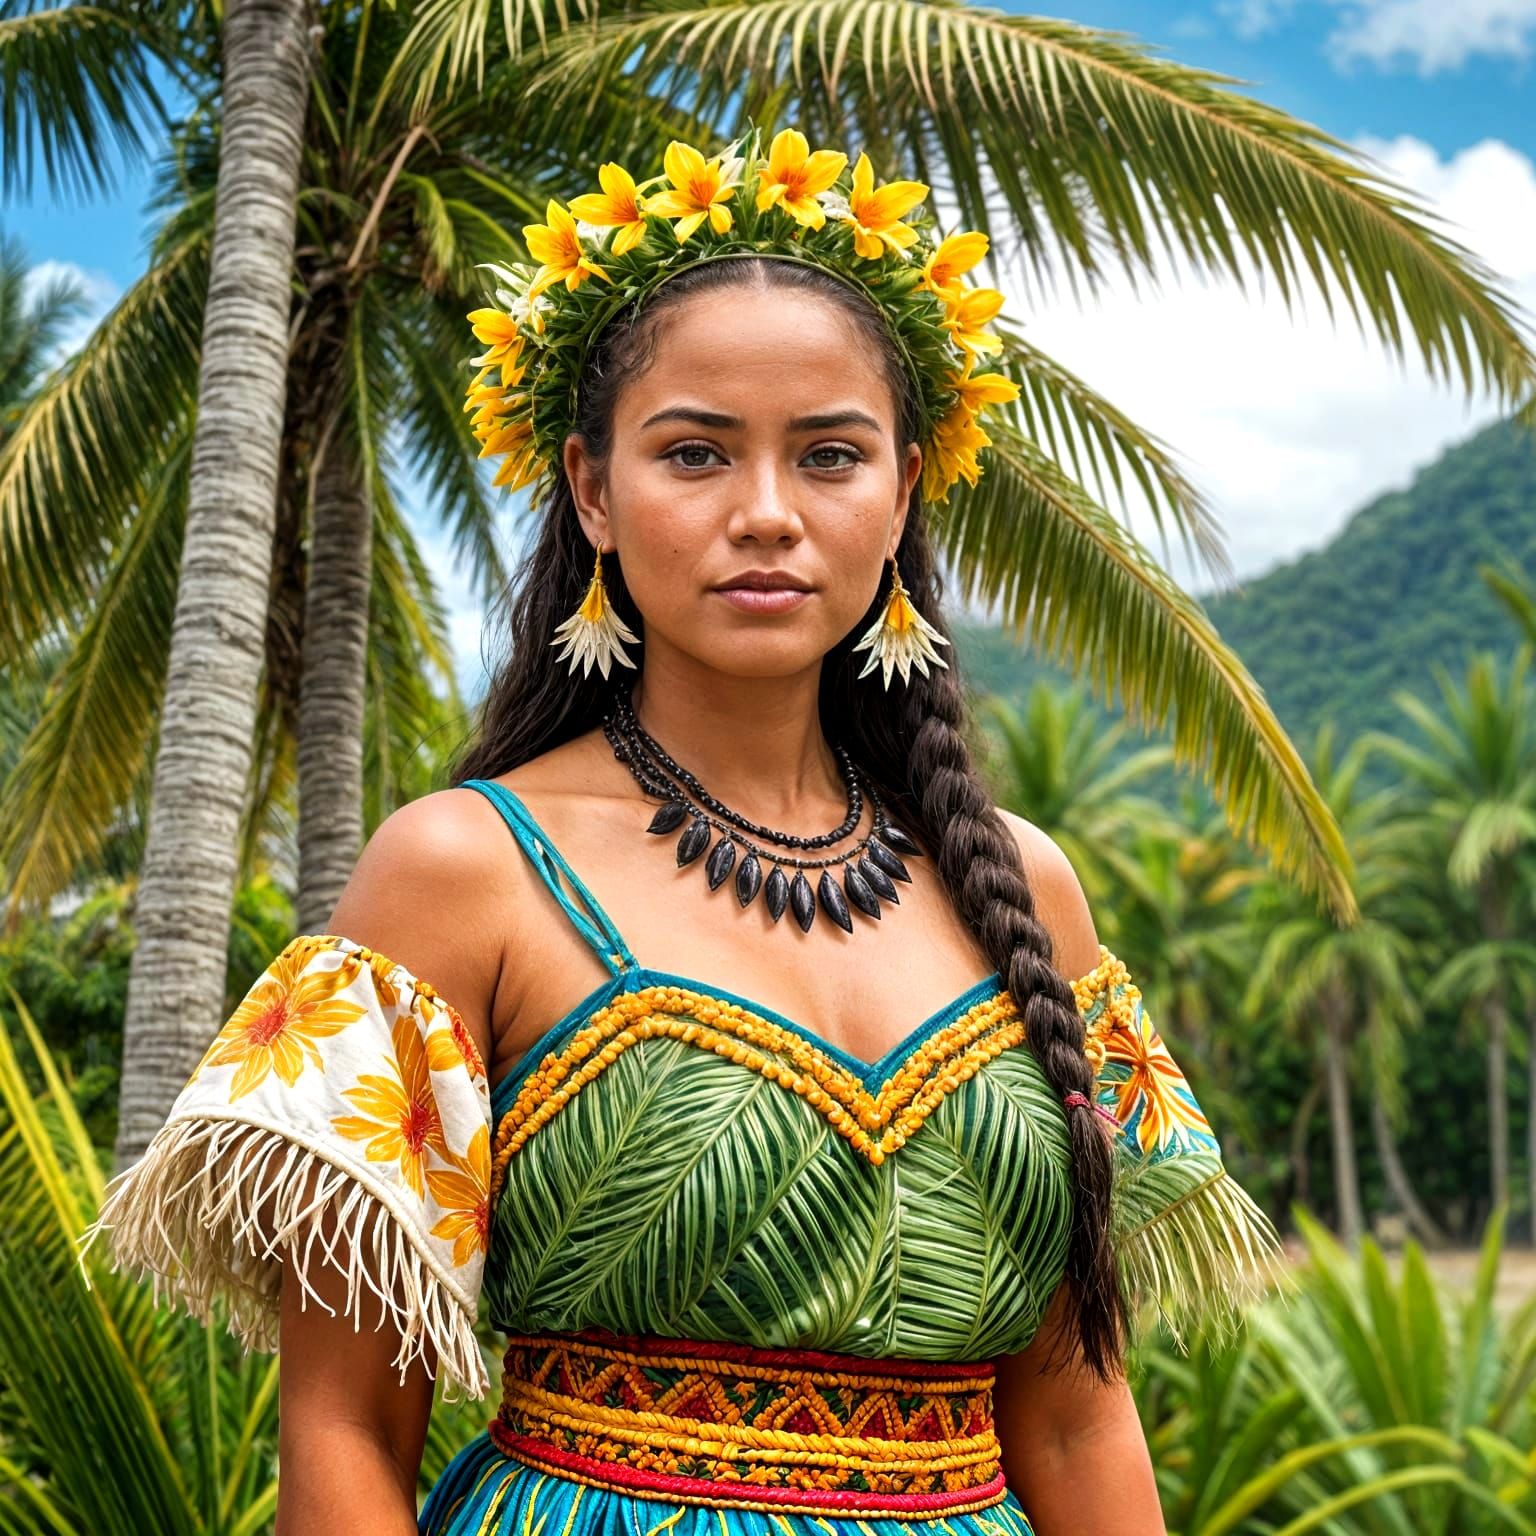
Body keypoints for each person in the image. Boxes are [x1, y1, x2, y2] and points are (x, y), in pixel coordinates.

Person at [79, 126, 1282, 1536]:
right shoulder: (463, 872)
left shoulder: (1022, 886)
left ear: (901, 493)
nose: (765, 515)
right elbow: (346, 1425)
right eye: (696, 453)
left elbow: (1076, 1420)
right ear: (592, 489)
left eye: (829, 456)